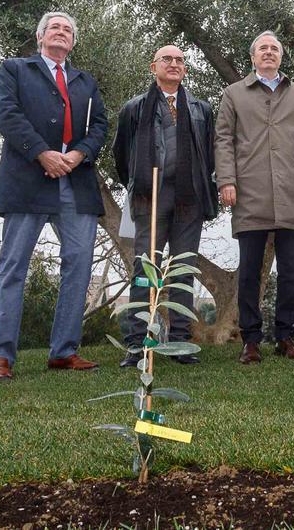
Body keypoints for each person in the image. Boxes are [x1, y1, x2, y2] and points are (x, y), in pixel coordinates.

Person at [0, 11, 109, 381]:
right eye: (55, 27)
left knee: (79, 265)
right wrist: (41, 152)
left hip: (76, 182)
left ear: (73, 42)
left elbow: (100, 124)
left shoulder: (86, 82)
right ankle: (1, 357)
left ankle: (64, 351)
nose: (62, 32)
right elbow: (6, 115)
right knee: (12, 268)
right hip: (28, 181)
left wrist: (79, 153)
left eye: (68, 29)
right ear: (40, 37)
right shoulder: (14, 70)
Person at [215, 30, 294, 364]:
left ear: (281, 57)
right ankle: (251, 340)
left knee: (291, 270)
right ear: (252, 57)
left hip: (293, 192)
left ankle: (286, 337)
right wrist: (226, 180)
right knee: (249, 271)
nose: (268, 53)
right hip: (249, 191)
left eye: (274, 49)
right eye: (262, 48)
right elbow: (222, 140)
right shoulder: (233, 94)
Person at [112, 45, 218, 367]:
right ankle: (137, 343)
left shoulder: (201, 109)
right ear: (152, 67)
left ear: (185, 69)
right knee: (145, 271)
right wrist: (140, 183)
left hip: (189, 201)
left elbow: (209, 154)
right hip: (150, 200)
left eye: (180, 60)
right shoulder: (134, 108)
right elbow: (121, 156)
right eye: (167, 60)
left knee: (183, 270)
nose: (174, 64)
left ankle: (180, 342)